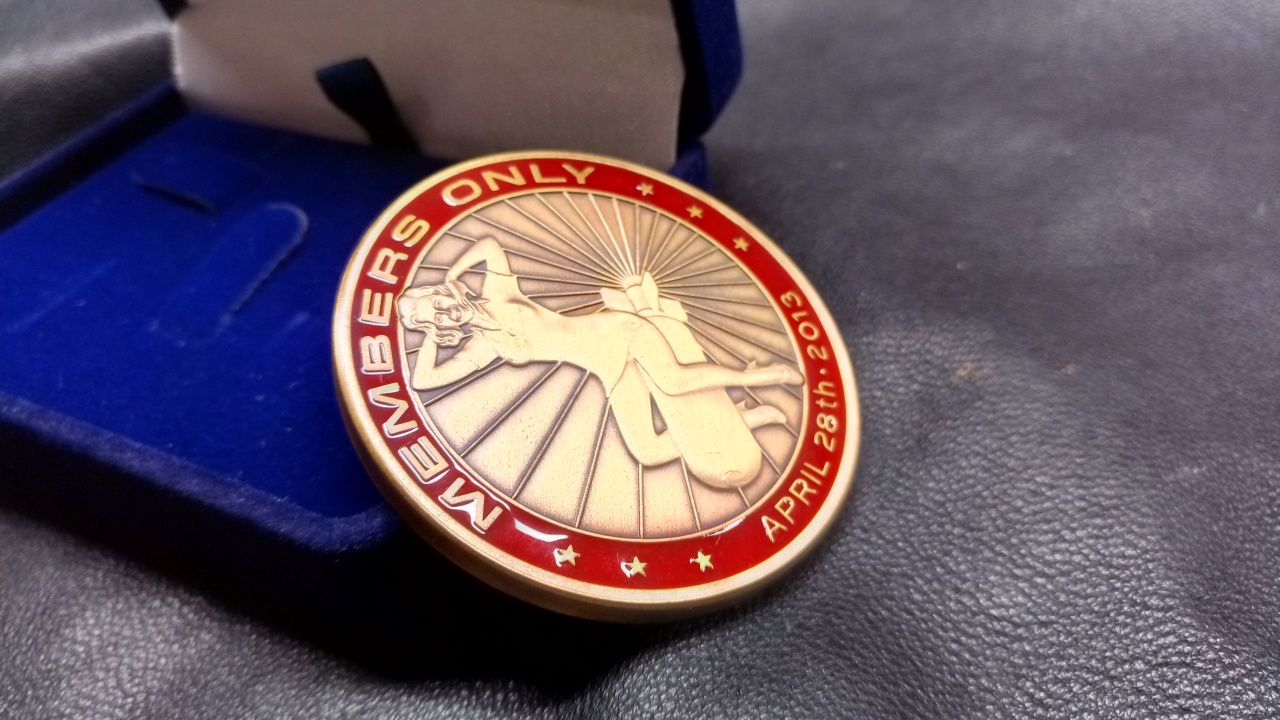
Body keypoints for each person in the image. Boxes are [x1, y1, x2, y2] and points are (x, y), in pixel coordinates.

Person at [398, 237, 802, 489]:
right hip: (607, 366)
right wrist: (429, 338)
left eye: (438, 303)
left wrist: (452, 273)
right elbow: (424, 381)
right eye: (435, 319)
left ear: (444, 294)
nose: (444, 313)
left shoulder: (499, 294)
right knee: (647, 451)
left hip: (617, 330)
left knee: (673, 380)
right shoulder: (484, 348)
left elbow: (489, 245)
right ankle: (746, 418)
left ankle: (761, 374)